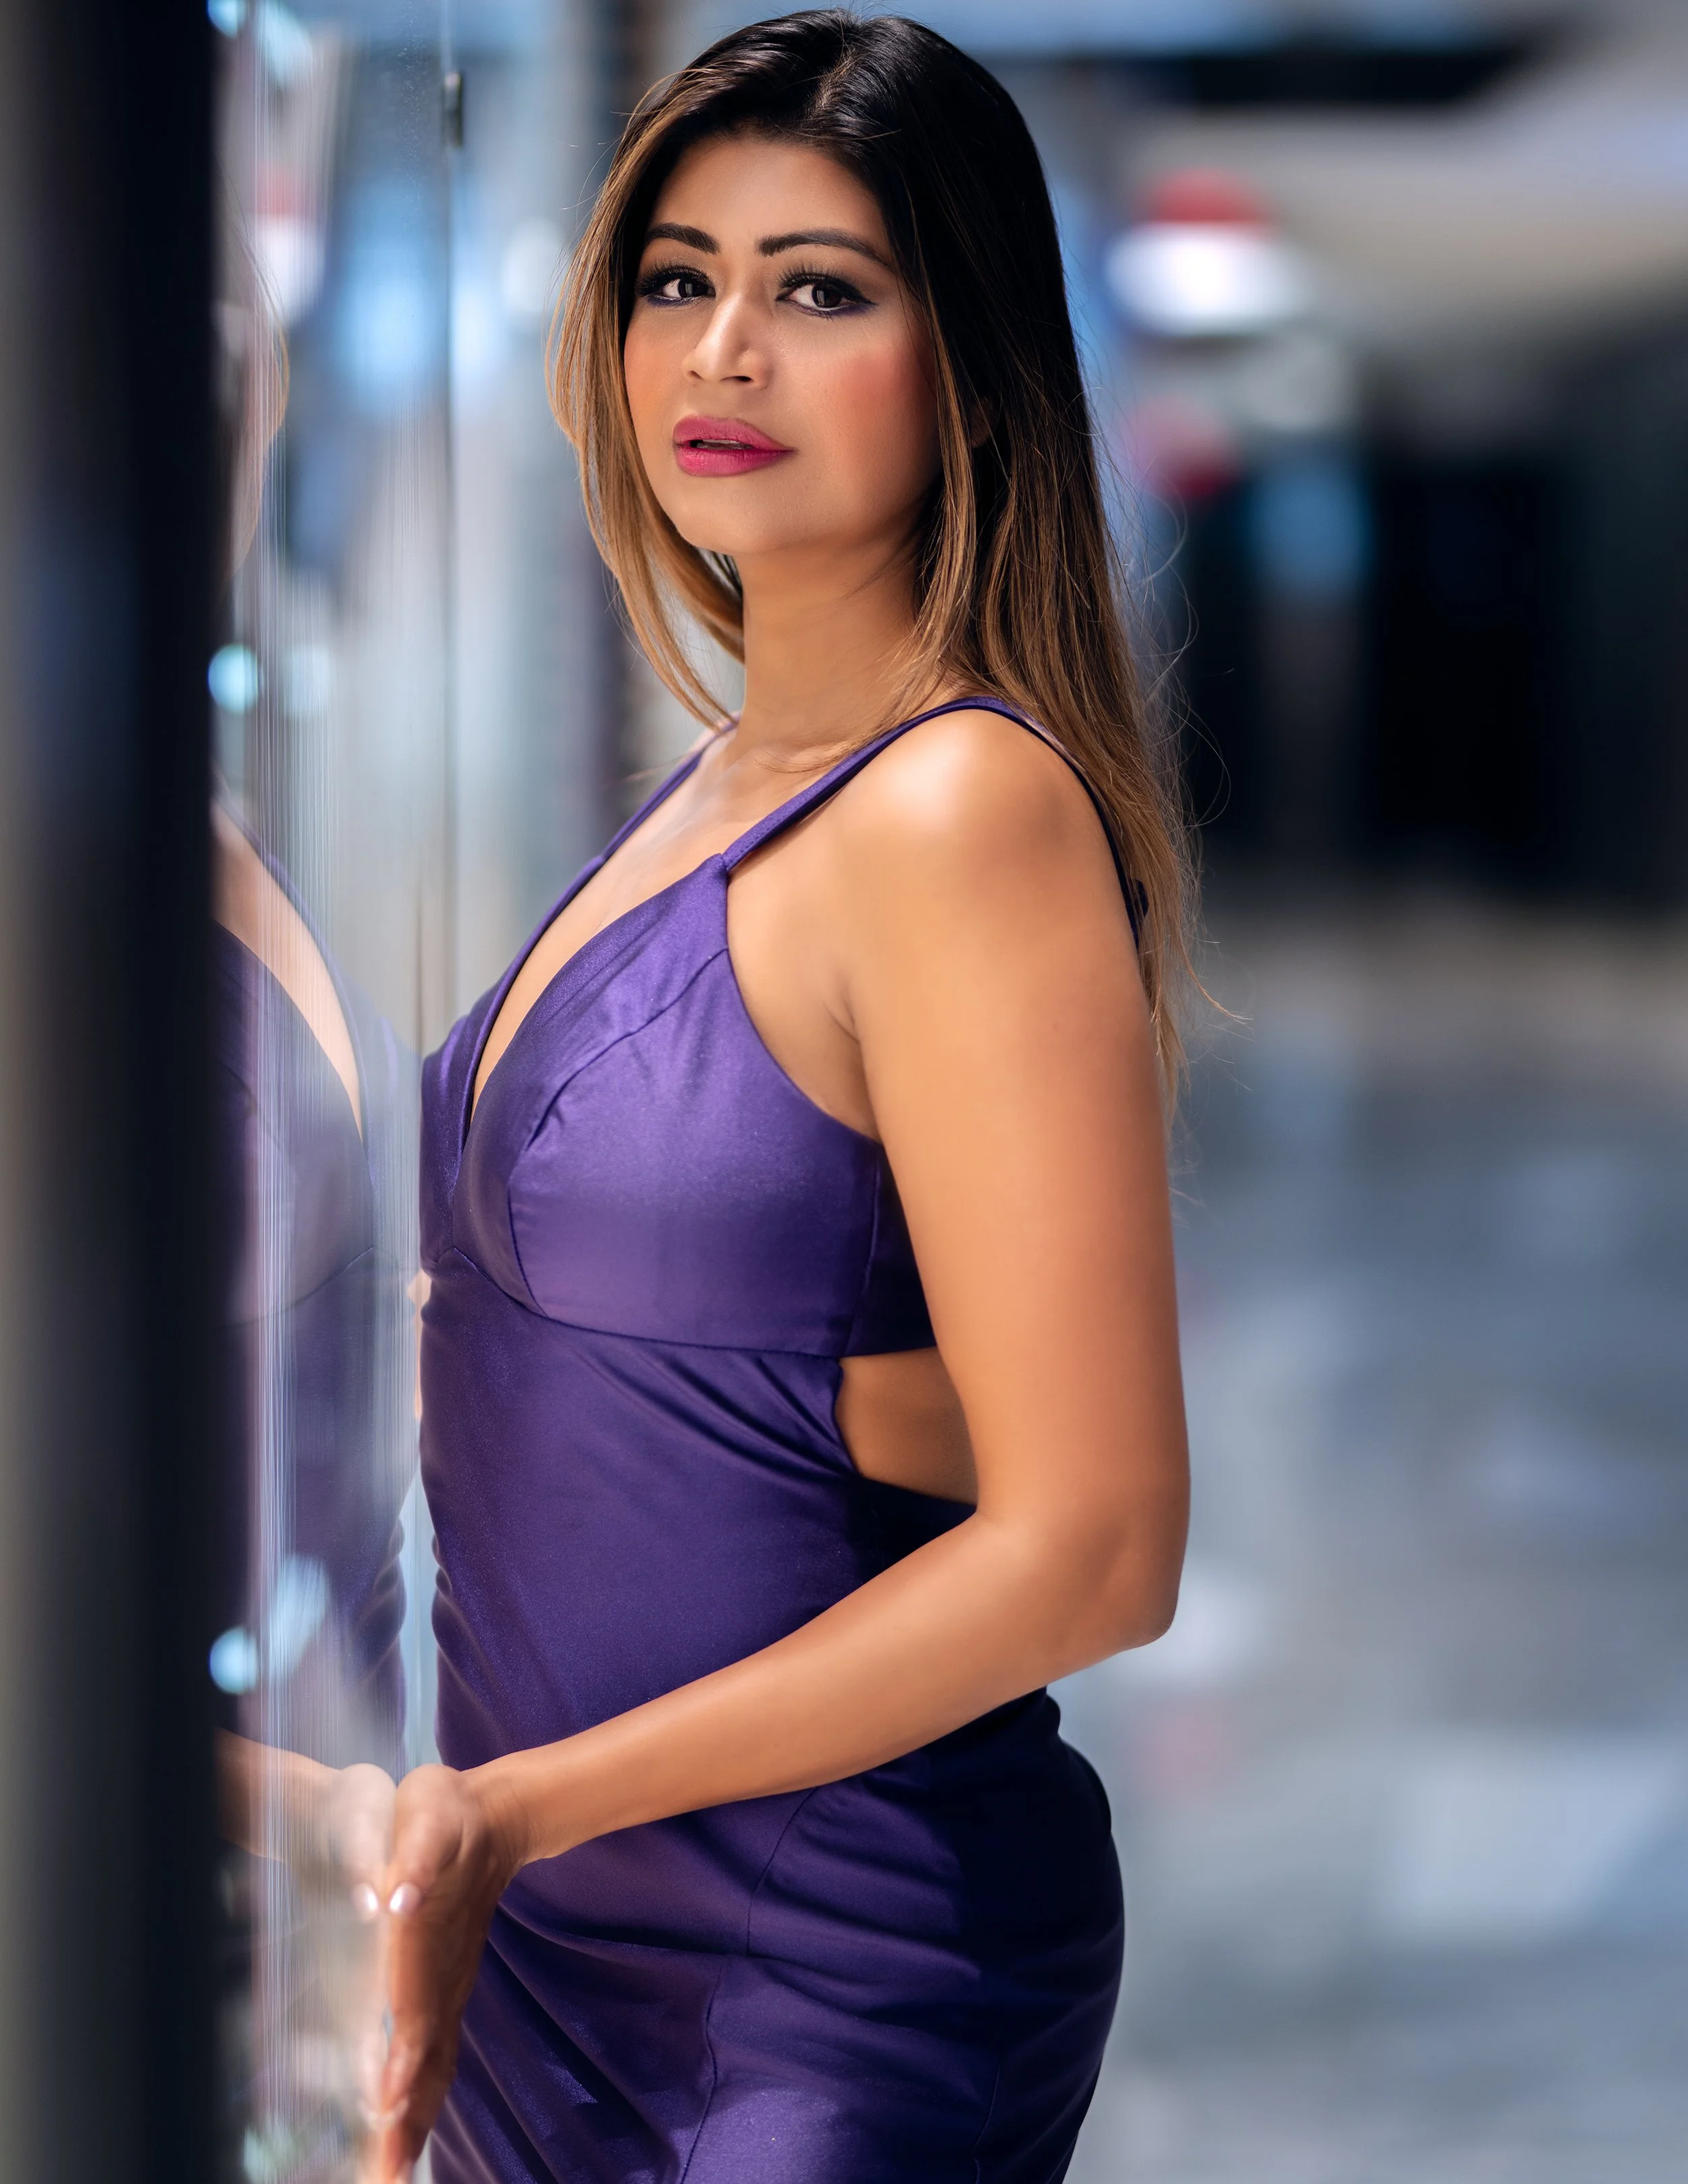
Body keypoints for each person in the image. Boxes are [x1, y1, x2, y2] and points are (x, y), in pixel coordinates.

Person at [379, 14, 1192, 2180]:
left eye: (820, 288)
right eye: (677, 277)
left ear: (968, 357)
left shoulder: (957, 809)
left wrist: (509, 1813)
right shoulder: (709, 789)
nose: (722, 348)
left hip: (809, 1963)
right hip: (546, 1927)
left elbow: (1099, 1544)